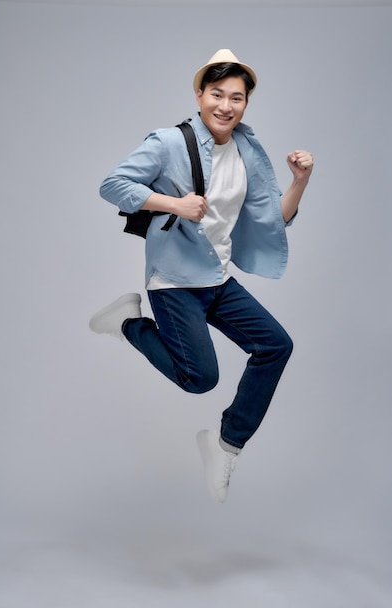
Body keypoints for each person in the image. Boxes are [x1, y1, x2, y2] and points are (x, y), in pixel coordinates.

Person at [89, 49, 314, 504]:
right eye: (216, 94)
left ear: (246, 103)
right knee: (199, 379)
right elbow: (112, 184)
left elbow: (274, 219)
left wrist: (299, 181)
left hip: (216, 277)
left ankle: (226, 444)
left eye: (236, 97)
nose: (225, 106)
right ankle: (128, 323)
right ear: (199, 94)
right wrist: (172, 203)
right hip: (174, 282)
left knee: (275, 345)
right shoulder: (170, 142)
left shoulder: (249, 149)